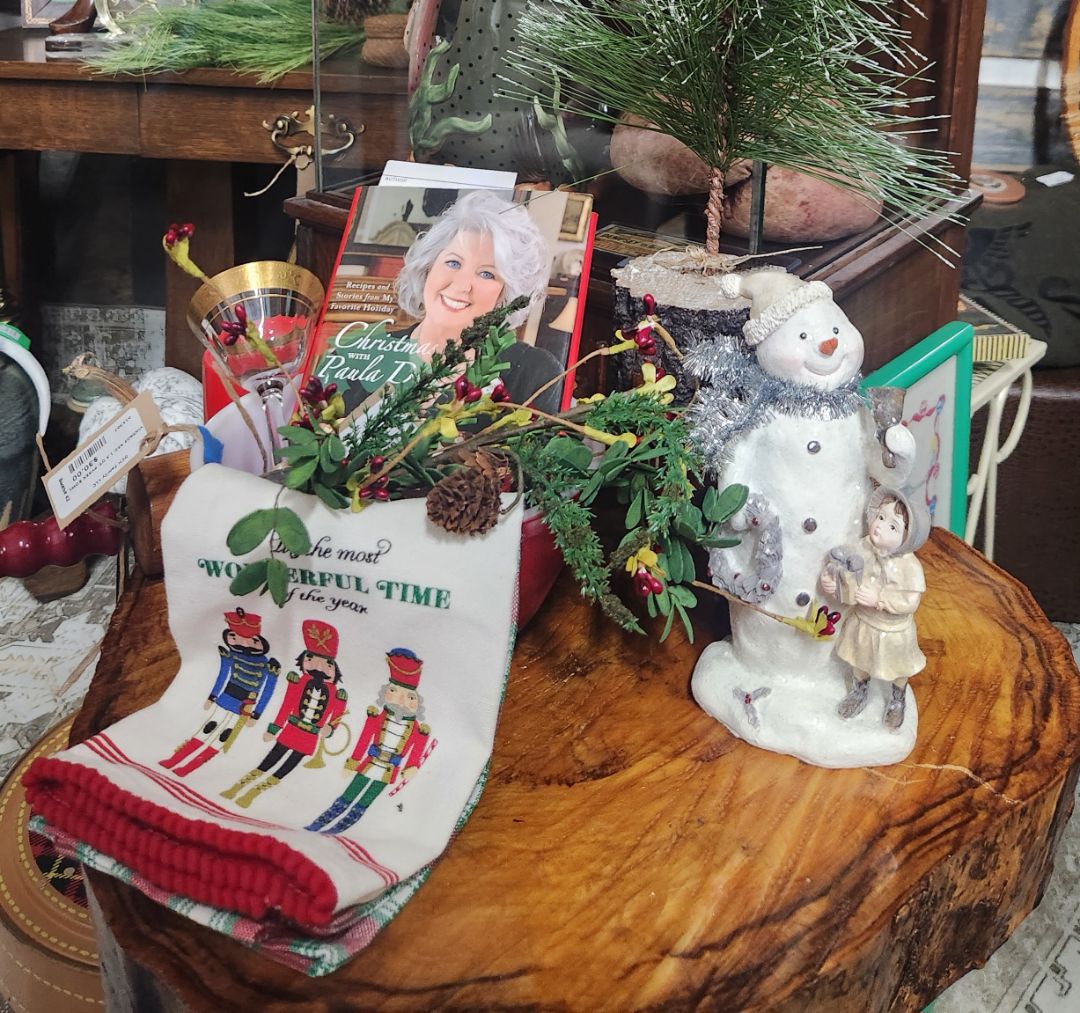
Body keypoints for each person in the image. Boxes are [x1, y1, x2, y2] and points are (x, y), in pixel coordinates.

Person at [393, 190, 564, 412]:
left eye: (486, 274)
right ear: (428, 267)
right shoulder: (362, 351)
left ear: (506, 295)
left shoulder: (535, 372)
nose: (462, 285)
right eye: (453, 263)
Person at [821, 486, 929, 730]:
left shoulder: (909, 567)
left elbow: (909, 601)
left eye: (893, 527)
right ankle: (859, 692)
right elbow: (851, 577)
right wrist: (835, 584)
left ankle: (897, 699)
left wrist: (879, 599)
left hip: (893, 631)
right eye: (880, 517)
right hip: (864, 622)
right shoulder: (864, 548)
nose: (879, 527)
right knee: (859, 659)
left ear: (907, 538)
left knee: (898, 666)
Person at [220, 619, 347, 808]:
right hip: (290, 730)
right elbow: (286, 706)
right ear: (303, 661)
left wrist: (331, 727)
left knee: (284, 771)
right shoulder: (298, 682)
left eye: (327, 664)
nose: (319, 667)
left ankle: (253, 795)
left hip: (310, 737)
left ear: (335, 670)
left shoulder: (337, 694)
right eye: (311, 659)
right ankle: (236, 788)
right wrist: (274, 728)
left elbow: (337, 714)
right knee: (267, 763)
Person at [305, 648, 432, 834]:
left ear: (417, 703)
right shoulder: (376, 718)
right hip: (370, 763)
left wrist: (411, 766)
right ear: (385, 693)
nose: (401, 700)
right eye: (394, 691)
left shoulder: (417, 730)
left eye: (410, 697)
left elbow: (417, 749)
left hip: (389, 769)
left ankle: (341, 828)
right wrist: (353, 762)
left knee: (365, 801)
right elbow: (364, 740)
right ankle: (320, 823)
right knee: (349, 794)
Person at [159, 607, 279, 777]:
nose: (244, 644)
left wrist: (257, 714)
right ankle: (174, 760)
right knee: (207, 729)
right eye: (237, 637)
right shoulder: (232, 655)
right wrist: (213, 696)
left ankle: (188, 769)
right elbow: (223, 674)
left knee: (224, 736)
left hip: (245, 706)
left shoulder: (266, 663)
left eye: (250, 640)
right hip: (226, 697)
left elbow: (268, 689)